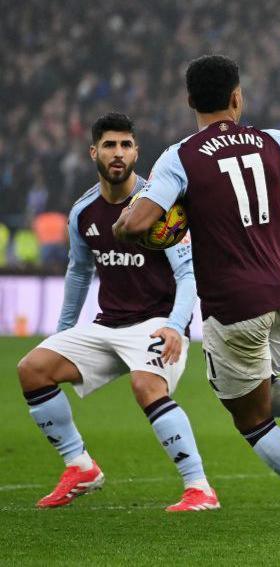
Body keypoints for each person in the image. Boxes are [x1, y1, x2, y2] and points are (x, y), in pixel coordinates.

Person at [113, 47, 280, 534]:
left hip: (233, 307)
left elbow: (140, 222)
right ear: (237, 98)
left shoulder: (181, 157)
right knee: (260, 389)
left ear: (191, 100)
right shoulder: (269, 141)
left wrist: (126, 226)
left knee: (252, 421)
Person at [17, 113, 218, 512]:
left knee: (146, 386)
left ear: (136, 152)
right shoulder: (83, 213)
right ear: (94, 152)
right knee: (32, 368)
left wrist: (177, 326)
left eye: (126, 145)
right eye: (109, 145)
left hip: (158, 322)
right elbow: (78, 273)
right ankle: (81, 467)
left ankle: (199, 488)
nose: (118, 153)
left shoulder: (160, 206)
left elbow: (188, 273)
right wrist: (60, 333)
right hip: (107, 325)